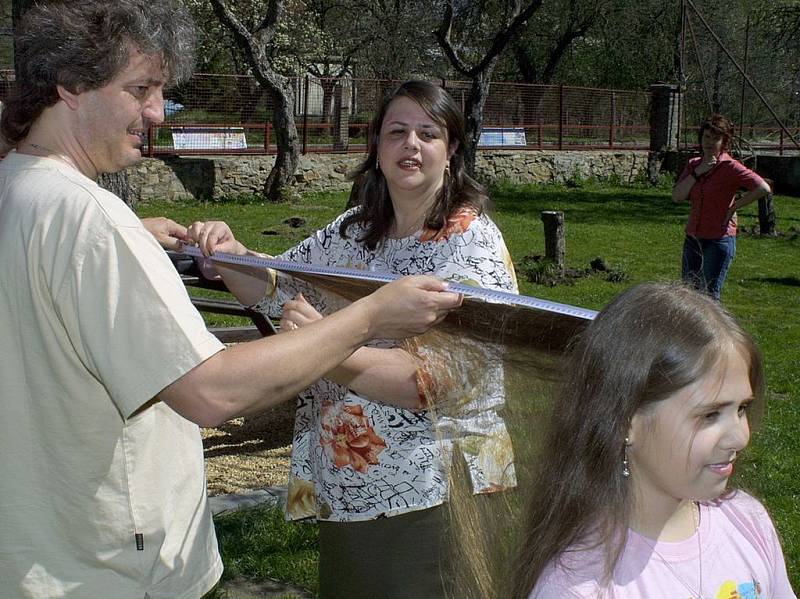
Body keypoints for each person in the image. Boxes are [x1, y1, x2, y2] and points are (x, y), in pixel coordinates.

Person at [0, 4, 460, 598]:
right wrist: (367, 316)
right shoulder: (93, 225)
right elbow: (212, 391)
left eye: (160, 91)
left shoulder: (19, 192)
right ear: (70, 85)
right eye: (139, 89)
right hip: (110, 567)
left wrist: (166, 246)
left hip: (42, 548)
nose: (156, 113)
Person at [189, 80, 519, 599]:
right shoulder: (354, 231)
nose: (411, 144)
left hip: (433, 490)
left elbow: (430, 383)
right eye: (396, 132)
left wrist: (322, 347)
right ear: (377, 147)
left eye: (427, 133)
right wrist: (230, 254)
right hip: (348, 483)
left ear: (451, 148)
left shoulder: (471, 244)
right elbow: (278, 288)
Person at [512, 283, 796, 599]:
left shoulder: (747, 522)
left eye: (741, 408)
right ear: (624, 423)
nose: (740, 437)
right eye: (710, 415)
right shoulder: (580, 587)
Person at [672, 114, 770, 300]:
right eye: (706, 137)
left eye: (715, 138)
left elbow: (763, 188)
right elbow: (677, 196)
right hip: (693, 238)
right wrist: (698, 173)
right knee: (687, 294)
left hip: (718, 239)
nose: (709, 143)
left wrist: (734, 208)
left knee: (709, 296)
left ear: (724, 141)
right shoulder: (694, 165)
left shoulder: (730, 167)